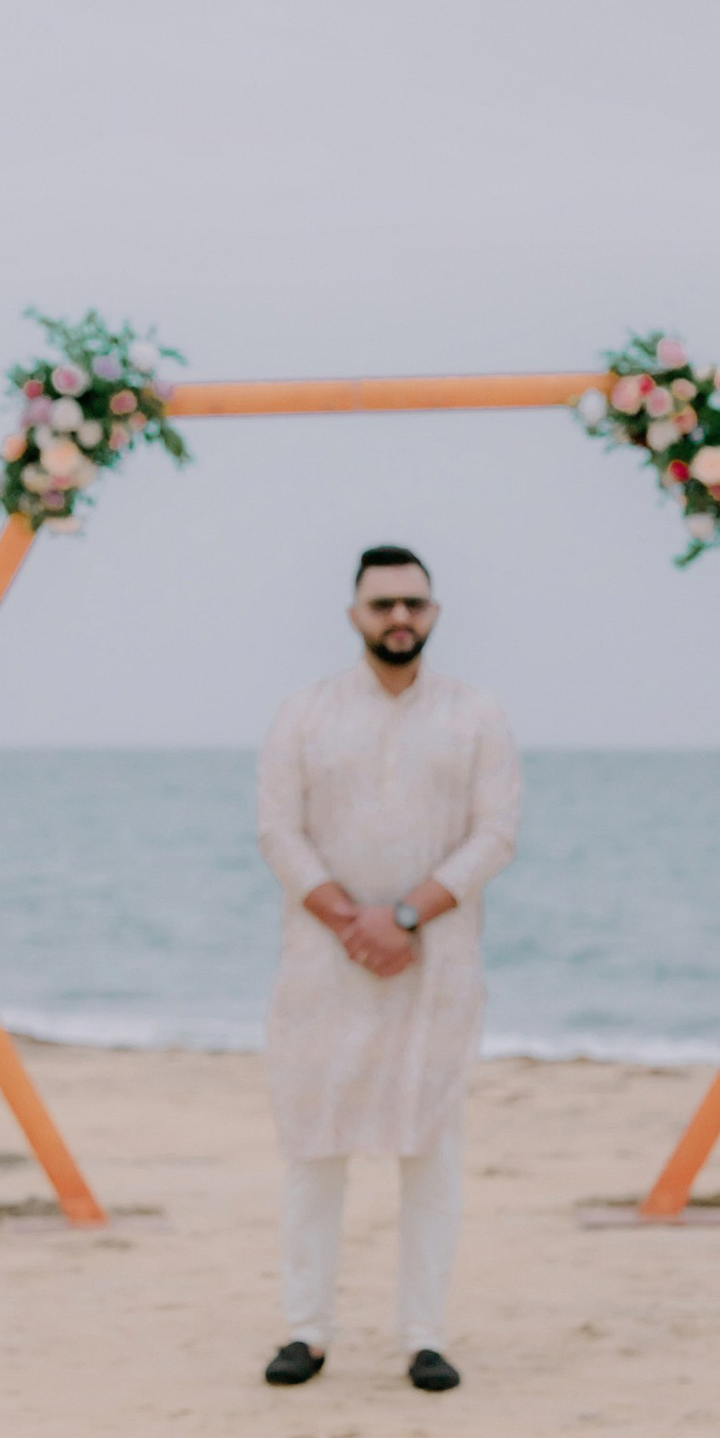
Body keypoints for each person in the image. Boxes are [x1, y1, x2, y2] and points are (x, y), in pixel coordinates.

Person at [255, 544, 521, 1393]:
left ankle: (424, 1338)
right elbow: (278, 832)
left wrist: (404, 916)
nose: (399, 619)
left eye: (413, 604)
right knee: (314, 1145)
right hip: (323, 962)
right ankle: (307, 1331)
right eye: (382, 605)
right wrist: (350, 921)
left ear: (435, 612)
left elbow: (495, 835)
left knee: (430, 1145)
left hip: (435, 961)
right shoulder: (303, 713)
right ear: (354, 615)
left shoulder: (477, 715)